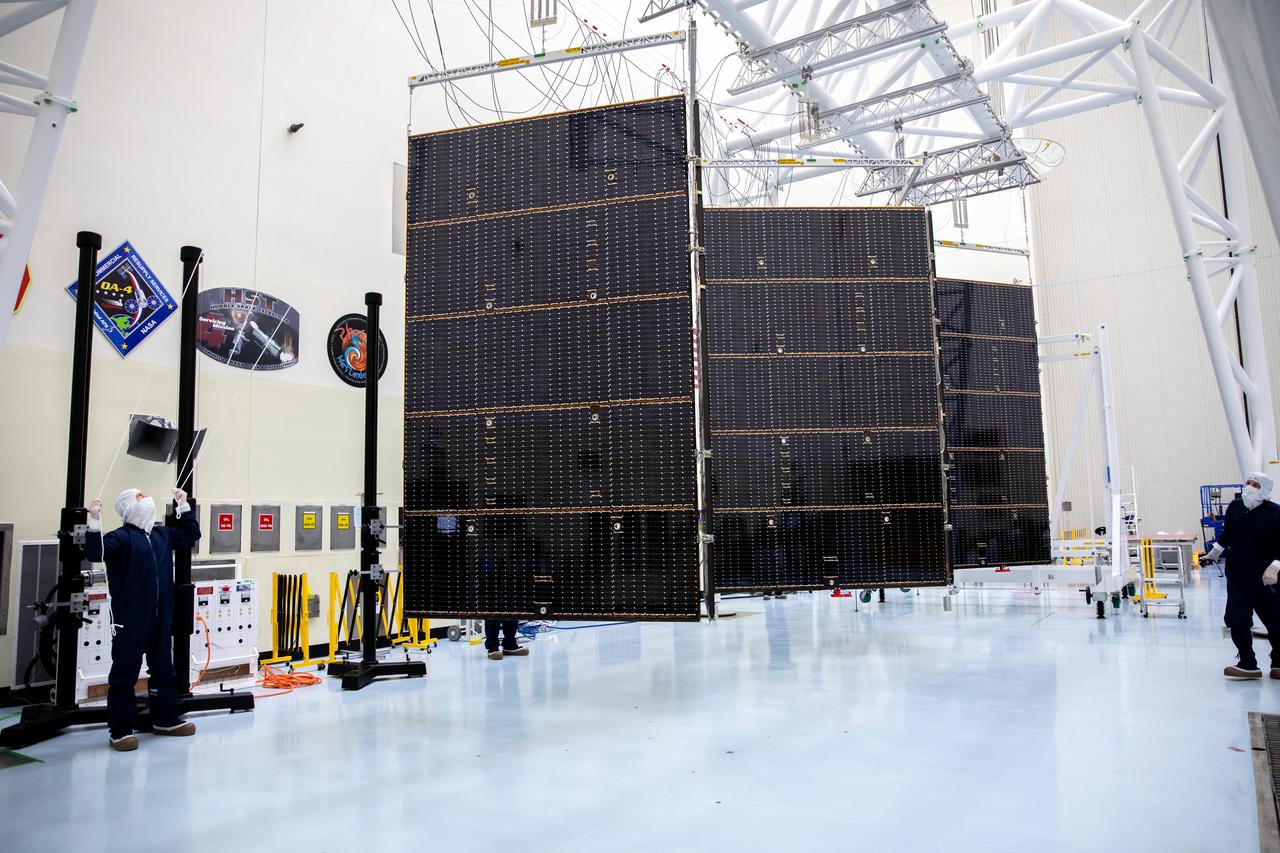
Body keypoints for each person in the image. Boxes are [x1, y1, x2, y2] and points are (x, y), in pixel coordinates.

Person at [85, 487, 201, 750]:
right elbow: (96, 554)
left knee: (164, 670)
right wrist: (94, 521)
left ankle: (165, 719)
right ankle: (120, 731)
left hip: (160, 618)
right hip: (130, 619)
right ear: (128, 507)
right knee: (125, 674)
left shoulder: (160, 535)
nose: (146, 497)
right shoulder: (120, 538)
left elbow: (190, 534)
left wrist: (183, 508)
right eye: (139, 496)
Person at [1200, 472, 1280, 679]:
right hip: (1236, 574)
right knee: (1237, 618)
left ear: (1265, 490)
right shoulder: (1235, 507)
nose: (1249, 487)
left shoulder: (1275, 513)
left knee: (1275, 619)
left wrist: (1275, 567)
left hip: (1265, 576)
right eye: (1248, 483)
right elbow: (1228, 534)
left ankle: (1279, 662)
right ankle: (1248, 663)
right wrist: (1215, 551)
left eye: (1255, 484)